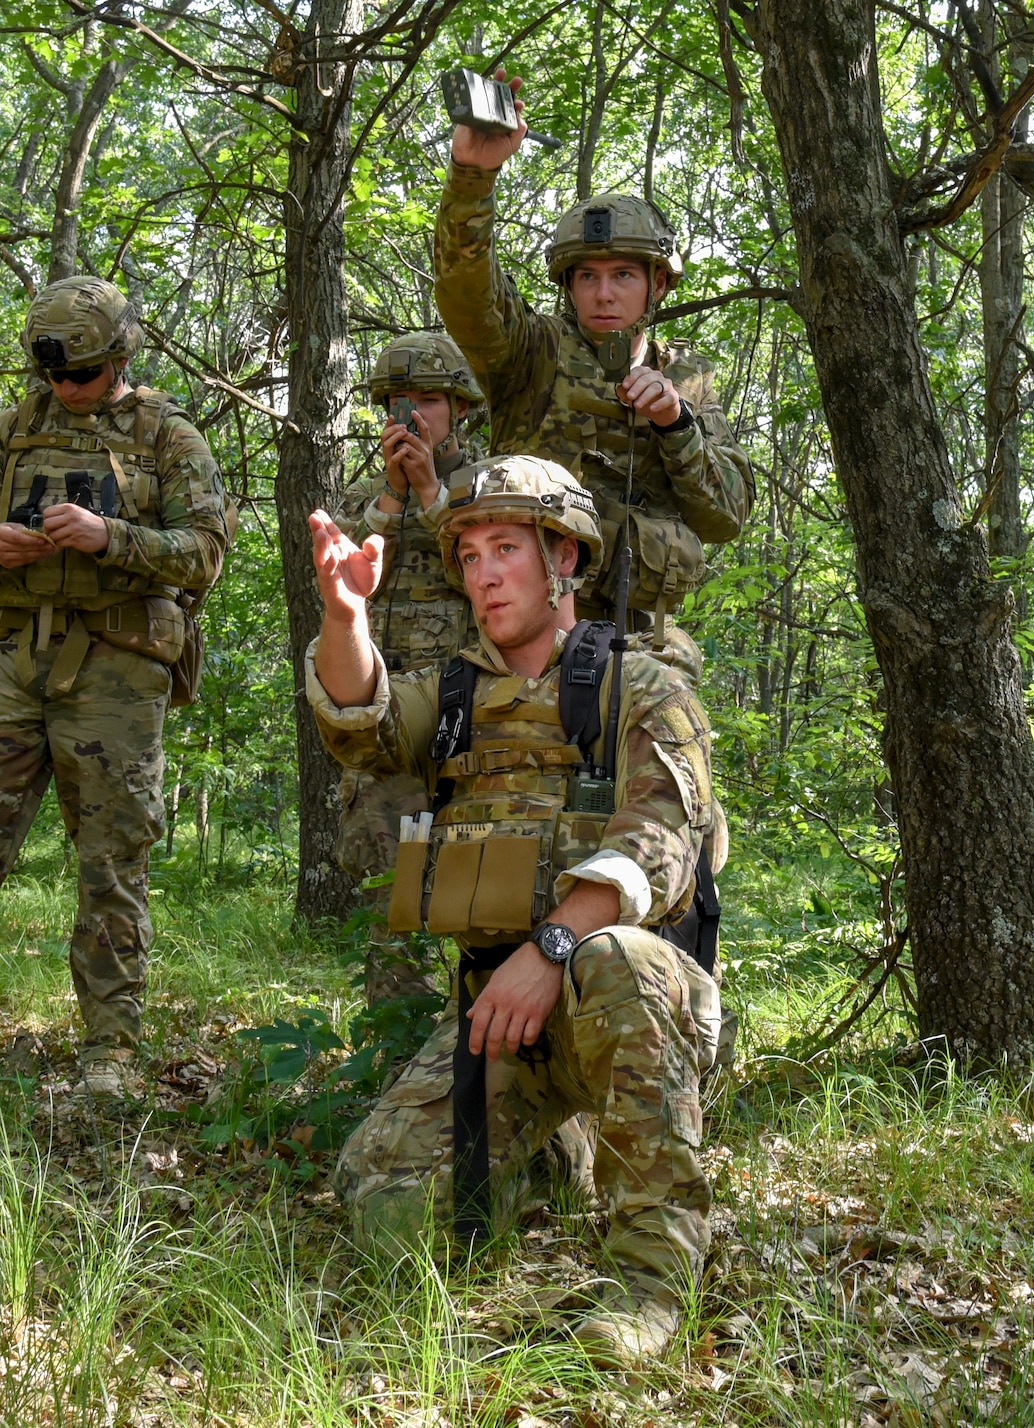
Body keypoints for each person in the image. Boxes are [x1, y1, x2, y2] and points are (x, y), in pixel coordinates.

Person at [306, 455, 725, 1368]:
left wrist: (555, 943)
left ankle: (650, 1282)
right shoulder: (455, 693)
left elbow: (662, 840)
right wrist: (346, 616)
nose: (484, 572)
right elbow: (359, 722)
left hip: (622, 1006)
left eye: (507, 548)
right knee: (384, 1205)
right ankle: (552, 1156)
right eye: (468, 555)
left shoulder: (640, 687)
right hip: (500, 1014)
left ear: (564, 559)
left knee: (619, 958)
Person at [0, 276, 232, 1096]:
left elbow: (205, 552)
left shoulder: (167, 435)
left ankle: (111, 1050)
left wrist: (109, 537)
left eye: (79, 374)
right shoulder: (8, 434)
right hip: (10, 659)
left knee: (112, 860)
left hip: (116, 669)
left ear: (120, 356)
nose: (64, 390)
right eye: (53, 376)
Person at [433, 68, 756, 679]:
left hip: (640, 650)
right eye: (587, 276)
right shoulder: (532, 352)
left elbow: (724, 519)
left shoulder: (686, 381)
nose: (604, 294)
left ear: (657, 283)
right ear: (568, 284)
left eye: (623, 275)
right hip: (526, 645)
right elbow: (464, 292)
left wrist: (676, 422)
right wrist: (473, 177)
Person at [336, 333, 483, 1006]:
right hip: (385, 720)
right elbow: (339, 590)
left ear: (459, 408)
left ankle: (477, 1039)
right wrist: (392, 500)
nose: (415, 416)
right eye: (402, 402)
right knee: (387, 889)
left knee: (481, 879)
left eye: (431, 401)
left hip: (472, 712)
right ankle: (397, 1048)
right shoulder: (361, 497)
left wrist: (430, 491)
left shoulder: (491, 486)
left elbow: (495, 577)